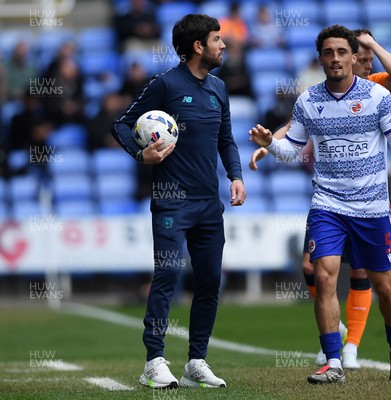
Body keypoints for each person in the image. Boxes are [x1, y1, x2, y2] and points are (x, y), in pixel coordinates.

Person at [249, 24, 391, 384]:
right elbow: (291, 151)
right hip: (328, 204)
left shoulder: (377, 96)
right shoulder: (308, 101)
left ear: (354, 57)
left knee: (384, 287)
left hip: (371, 207)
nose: (336, 58)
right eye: (328, 53)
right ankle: (333, 360)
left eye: (342, 52)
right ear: (321, 58)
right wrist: (270, 143)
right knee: (323, 275)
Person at [112, 14, 246, 389]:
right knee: (168, 275)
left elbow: (226, 139)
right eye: (217, 39)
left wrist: (235, 176)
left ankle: (196, 362)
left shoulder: (219, 87)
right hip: (171, 203)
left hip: (209, 203)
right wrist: (143, 156)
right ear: (198, 46)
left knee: (209, 281)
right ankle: (154, 360)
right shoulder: (165, 84)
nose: (224, 45)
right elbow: (120, 124)